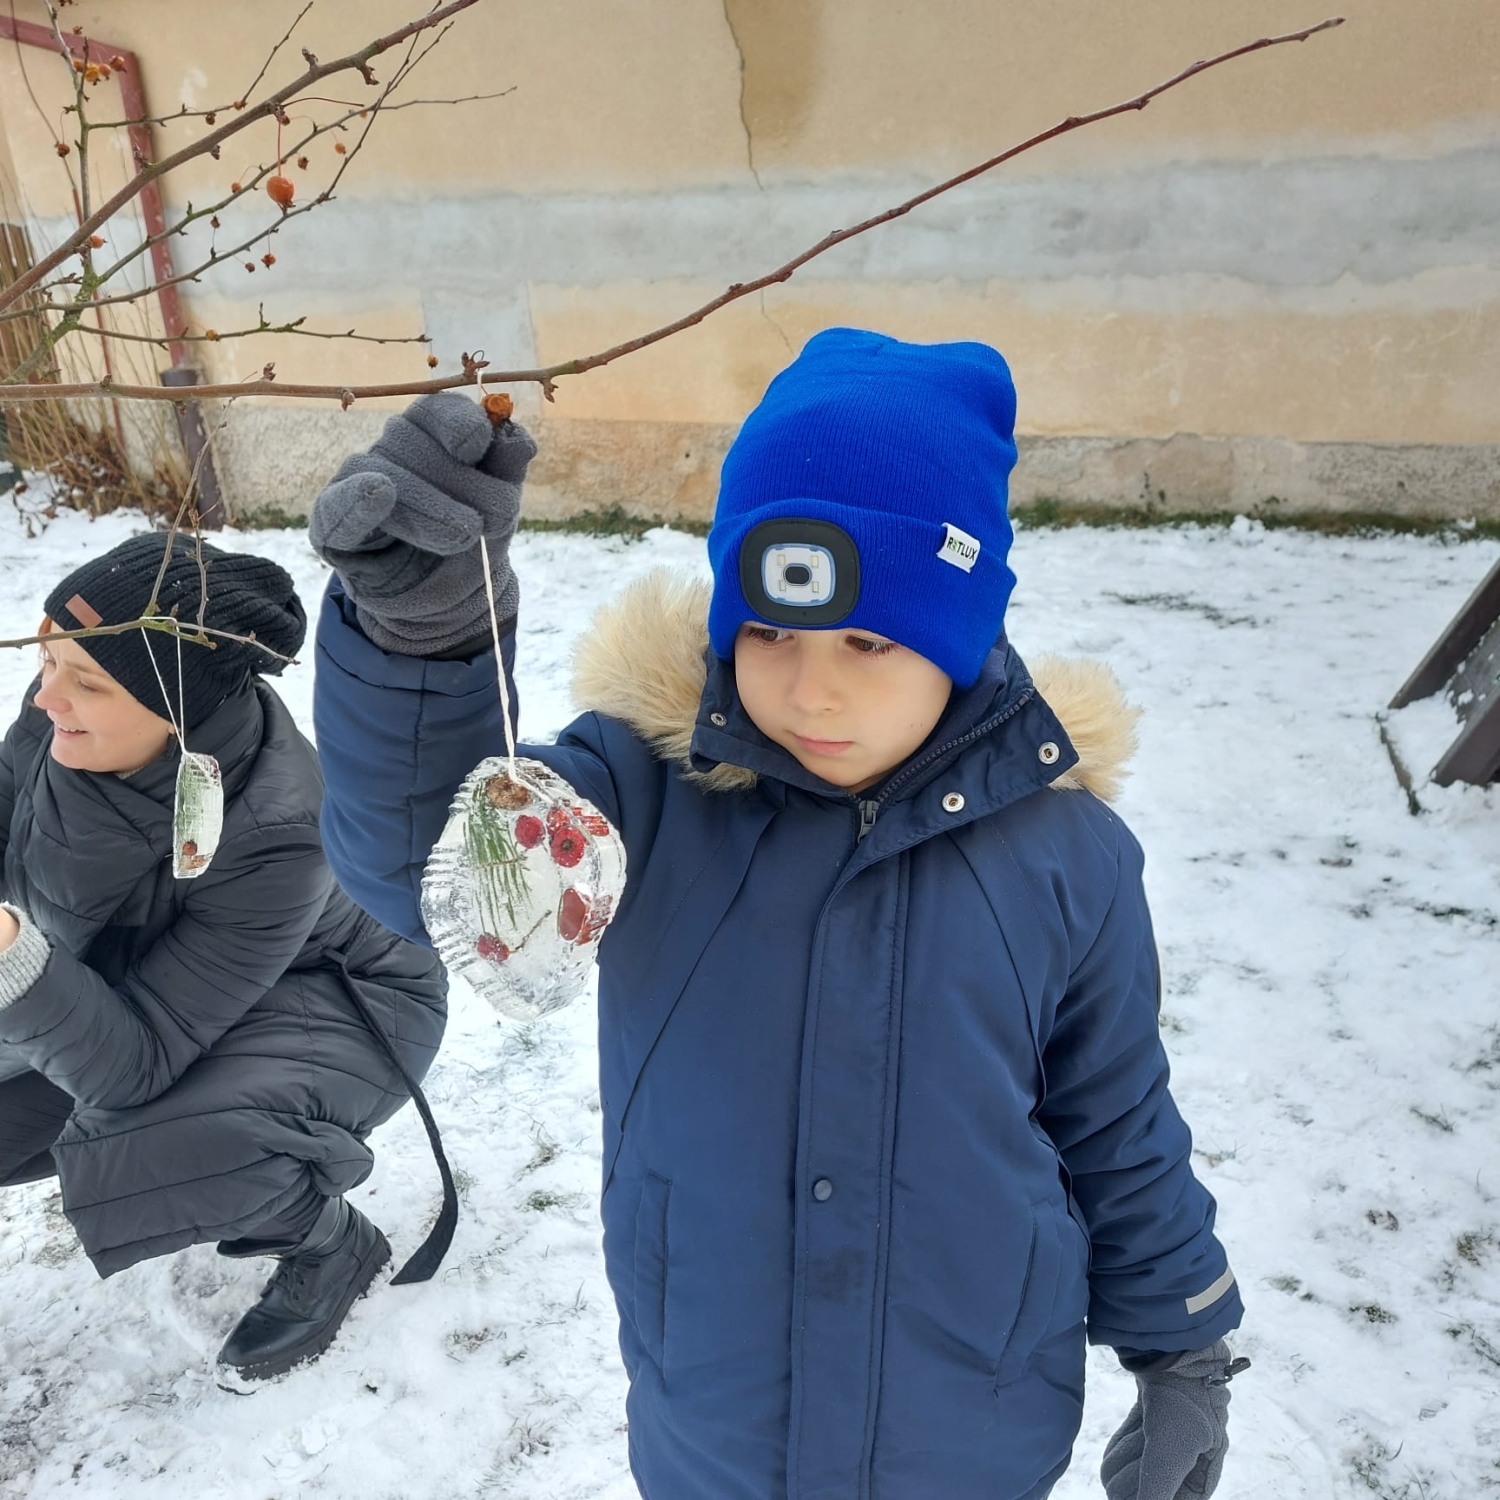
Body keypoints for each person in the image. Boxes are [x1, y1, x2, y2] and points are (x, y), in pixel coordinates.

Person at [311, 329, 1246, 1499]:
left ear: (957, 634)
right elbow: (442, 880)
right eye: (769, 632)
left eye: (869, 641)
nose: (812, 690)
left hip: (973, 1423)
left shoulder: (1068, 855)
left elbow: (1116, 1115)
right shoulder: (645, 793)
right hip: (720, 1422)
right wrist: (420, 638)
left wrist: (1185, 1347)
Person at [0, 533, 448, 1381]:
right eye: (47, 658)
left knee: (171, 1139)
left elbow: (137, 1060)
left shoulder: (278, 828)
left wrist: (12, 955)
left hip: (348, 1002)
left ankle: (328, 1242)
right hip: (158, 976)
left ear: (177, 707)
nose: (48, 694)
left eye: (86, 680)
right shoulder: (63, 709)